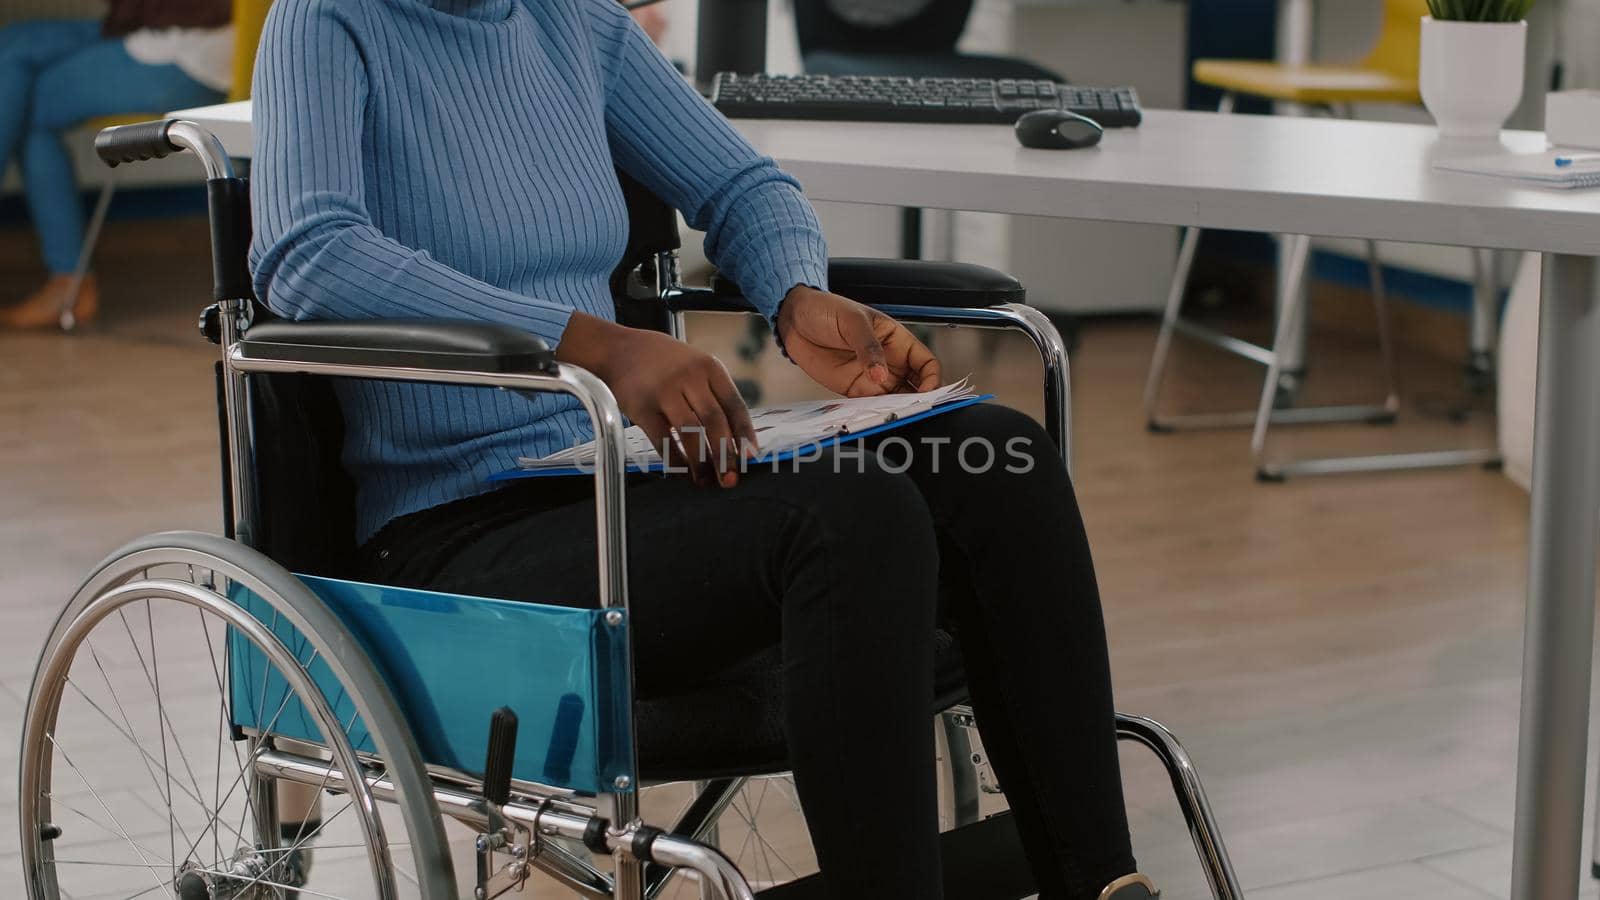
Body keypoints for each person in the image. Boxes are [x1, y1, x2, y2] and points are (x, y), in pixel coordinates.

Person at [249, 0, 1159, 897]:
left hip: (611, 481)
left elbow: (741, 186)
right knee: (848, 516)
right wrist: (596, 343)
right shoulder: (327, 20)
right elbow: (309, 254)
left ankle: (1099, 882)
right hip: (455, 528)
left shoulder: (573, 21)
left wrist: (795, 294)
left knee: (1000, 456)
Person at [0, 0, 233, 329]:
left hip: (186, 47)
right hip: (174, 32)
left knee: (28, 99)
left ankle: (69, 281)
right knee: (13, 46)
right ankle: (69, 280)